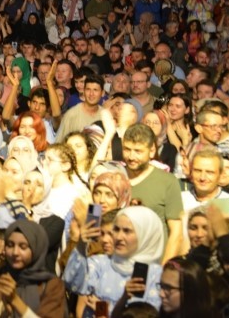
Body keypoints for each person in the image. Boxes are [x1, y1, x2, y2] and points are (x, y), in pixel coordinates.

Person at [64, 205, 165, 313]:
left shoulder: (157, 275)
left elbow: (150, 314)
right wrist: (81, 245)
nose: (118, 237)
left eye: (127, 231)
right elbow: (74, 284)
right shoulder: (100, 263)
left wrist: (107, 309)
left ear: (145, 234)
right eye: (116, 229)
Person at [0, 219, 68, 317]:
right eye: (10, 245)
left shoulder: (51, 285)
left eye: (23, 247)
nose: (15, 252)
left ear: (36, 249)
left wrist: (15, 301)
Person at [122, 124, 184, 262]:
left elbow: (176, 232)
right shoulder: (114, 176)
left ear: (151, 151)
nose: (131, 156)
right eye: (127, 149)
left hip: (152, 265)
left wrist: (164, 270)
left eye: (138, 151)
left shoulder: (167, 182)